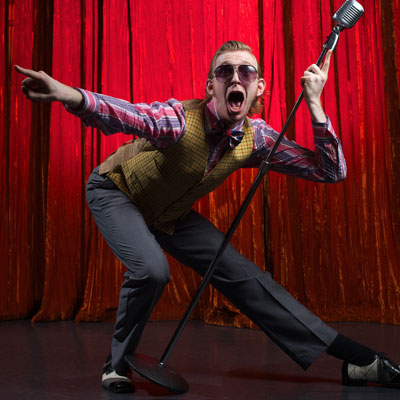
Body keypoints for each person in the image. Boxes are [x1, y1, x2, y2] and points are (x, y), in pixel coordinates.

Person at [16, 40, 400, 393]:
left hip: (172, 213)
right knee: (151, 270)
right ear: (210, 86)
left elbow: (331, 171)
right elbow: (128, 116)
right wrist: (67, 93)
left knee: (245, 278)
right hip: (117, 192)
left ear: (259, 88)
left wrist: (315, 105)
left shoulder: (259, 139)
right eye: (225, 72)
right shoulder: (180, 120)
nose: (235, 78)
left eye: (245, 72)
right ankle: (117, 366)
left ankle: (358, 360)